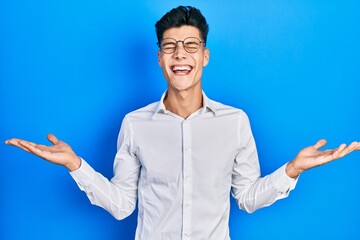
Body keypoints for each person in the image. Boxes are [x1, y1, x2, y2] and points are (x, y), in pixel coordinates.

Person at [5, 6, 360, 240]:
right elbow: (121, 205)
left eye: (190, 45)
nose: (180, 54)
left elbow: (248, 199)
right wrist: (75, 165)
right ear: (160, 58)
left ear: (204, 56)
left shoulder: (235, 122)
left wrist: (292, 170)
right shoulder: (134, 124)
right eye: (170, 46)